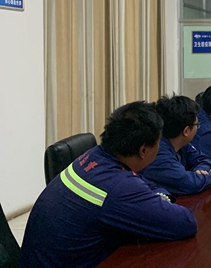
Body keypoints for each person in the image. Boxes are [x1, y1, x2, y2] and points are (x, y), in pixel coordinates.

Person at [18, 101, 197, 268]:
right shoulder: (118, 188)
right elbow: (186, 223)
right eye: (159, 143)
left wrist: (159, 196)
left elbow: (142, 183)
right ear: (144, 150)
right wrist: (158, 200)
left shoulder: (94, 156)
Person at [139, 95, 211, 195]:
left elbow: (205, 159)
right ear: (186, 131)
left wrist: (200, 171)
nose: (197, 128)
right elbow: (189, 184)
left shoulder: (180, 143)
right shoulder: (158, 153)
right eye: (197, 125)